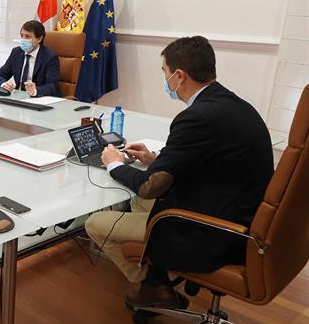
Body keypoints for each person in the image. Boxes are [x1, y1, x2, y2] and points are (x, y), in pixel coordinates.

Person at [86, 35, 273, 309]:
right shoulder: (234, 105)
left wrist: (114, 163)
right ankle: (159, 274)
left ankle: (152, 284)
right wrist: (154, 160)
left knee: (95, 224)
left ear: (179, 75)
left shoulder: (195, 118)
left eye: (164, 72)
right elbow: (207, 161)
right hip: (242, 215)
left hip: (212, 232)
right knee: (139, 203)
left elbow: (150, 186)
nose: (164, 80)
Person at [0, 20, 60, 97]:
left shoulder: (50, 57)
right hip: (18, 97)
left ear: (39, 39)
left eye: (27, 36)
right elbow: (0, 76)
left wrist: (35, 90)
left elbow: (53, 86)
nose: (23, 39)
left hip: (38, 99)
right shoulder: (16, 52)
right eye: (22, 36)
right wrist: (4, 84)